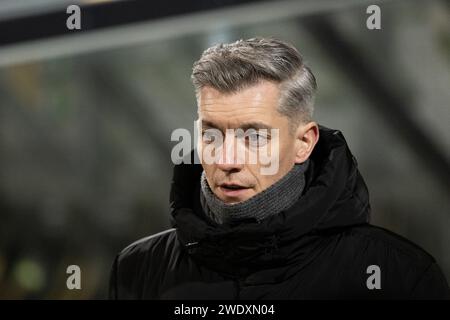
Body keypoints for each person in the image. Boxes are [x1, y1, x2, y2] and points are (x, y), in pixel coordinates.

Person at [109, 37, 449, 299]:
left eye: (254, 137)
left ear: (304, 142)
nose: (227, 160)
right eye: (210, 134)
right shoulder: (137, 270)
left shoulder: (398, 276)